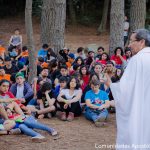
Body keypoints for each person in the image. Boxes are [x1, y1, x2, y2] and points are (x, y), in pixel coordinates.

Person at [110, 29, 150, 148]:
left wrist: (109, 83)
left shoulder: (137, 60)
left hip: (138, 111)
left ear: (142, 42)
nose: (129, 45)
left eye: (132, 41)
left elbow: (124, 92)